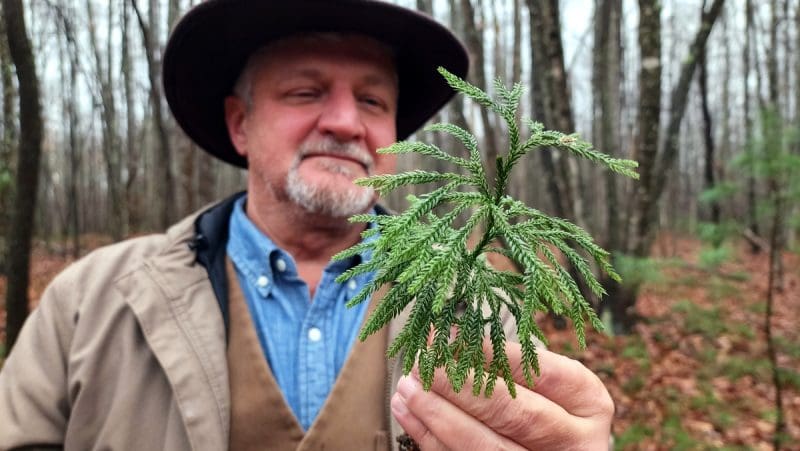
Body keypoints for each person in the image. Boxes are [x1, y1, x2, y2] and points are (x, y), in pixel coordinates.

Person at [0, 0, 614, 449]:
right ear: (240, 124)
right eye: (305, 91)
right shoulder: (90, 303)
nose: (346, 122)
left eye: (373, 101)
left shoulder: (467, 300)